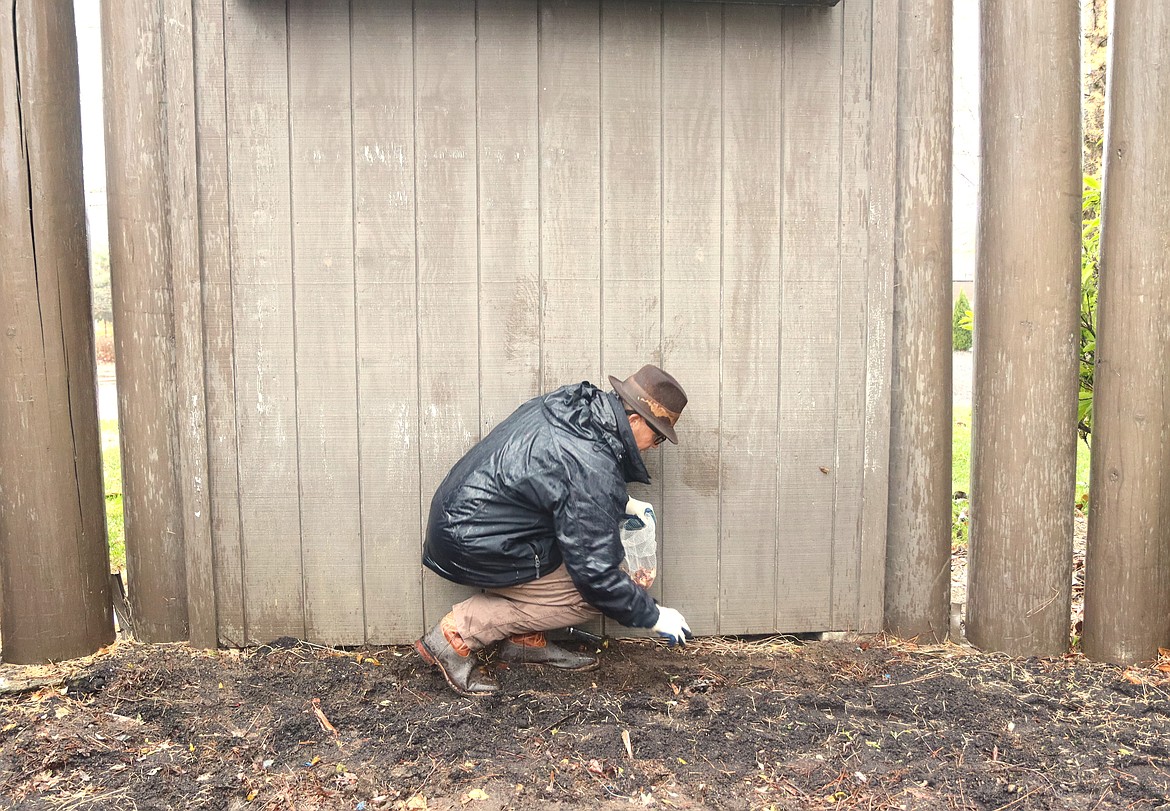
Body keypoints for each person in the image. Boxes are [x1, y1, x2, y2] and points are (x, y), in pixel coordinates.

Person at [415, 364, 694, 696]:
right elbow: (596, 576)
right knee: (597, 594)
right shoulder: (591, 461)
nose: (657, 445)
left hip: (471, 522)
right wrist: (653, 615)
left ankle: (524, 641)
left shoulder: (576, 408)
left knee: (593, 571)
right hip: (471, 540)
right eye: (658, 435)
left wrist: (621, 502)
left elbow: (554, 479)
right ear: (634, 421)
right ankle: (455, 634)